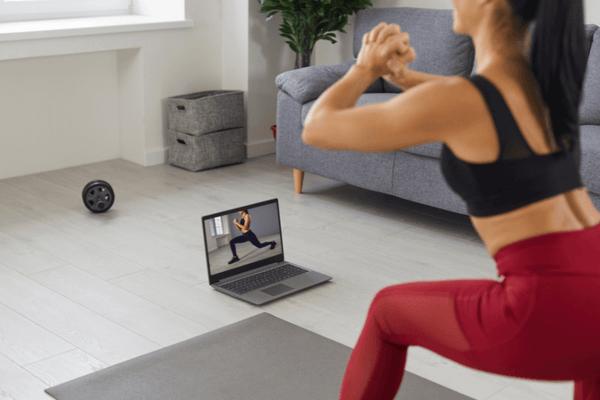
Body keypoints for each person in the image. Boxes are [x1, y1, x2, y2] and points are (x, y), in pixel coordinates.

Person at [302, 0, 600, 399]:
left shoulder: (464, 101)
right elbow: (461, 100)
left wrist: (364, 68)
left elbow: (317, 128)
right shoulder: (545, 86)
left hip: (544, 310)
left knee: (387, 313)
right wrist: (404, 77)